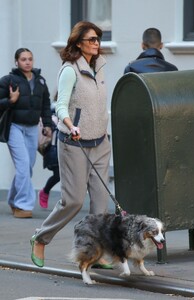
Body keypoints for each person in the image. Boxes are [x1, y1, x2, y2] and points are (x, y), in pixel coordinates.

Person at [30, 21, 112, 269]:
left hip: (100, 143)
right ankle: (40, 237)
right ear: (78, 43)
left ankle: (94, 254)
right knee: (73, 201)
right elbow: (61, 104)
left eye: (98, 38)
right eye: (91, 39)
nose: (96, 43)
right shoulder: (69, 70)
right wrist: (70, 124)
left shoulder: (100, 66)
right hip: (74, 144)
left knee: (100, 205)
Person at [0, 48, 52, 218]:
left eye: (30, 59)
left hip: (32, 128)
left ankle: (13, 199)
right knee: (23, 166)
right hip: (14, 127)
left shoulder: (40, 82)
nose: (27, 62)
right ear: (16, 62)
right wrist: (10, 100)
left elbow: (45, 106)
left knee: (27, 167)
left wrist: (48, 125)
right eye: (23, 59)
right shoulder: (8, 80)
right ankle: (23, 205)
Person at [38, 102, 60, 209]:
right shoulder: (52, 115)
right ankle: (45, 192)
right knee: (58, 175)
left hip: (68, 150)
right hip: (54, 150)